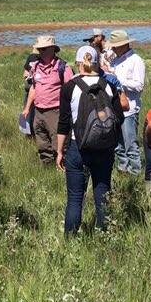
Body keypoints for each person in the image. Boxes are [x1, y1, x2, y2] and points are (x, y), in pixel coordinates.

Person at [56, 46, 123, 235]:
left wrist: (60, 151)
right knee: (102, 195)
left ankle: (71, 238)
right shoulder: (108, 85)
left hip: (78, 147)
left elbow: (63, 123)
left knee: (75, 197)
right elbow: (119, 116)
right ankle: (105, 236)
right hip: (105, 148)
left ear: (78, 63)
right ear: (96, 63)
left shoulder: (70, 87)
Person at [21, 36, 73, 166]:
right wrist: (27, 108)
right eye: (39, 49)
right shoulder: (36, 66)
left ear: (52, 50)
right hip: (38, 111)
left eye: (43, 49)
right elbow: (34, 87)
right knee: (42, 141)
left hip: (56, 111)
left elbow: (71, 90)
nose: (40, 52)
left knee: (58, 143)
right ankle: (47, 167)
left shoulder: (63, 67)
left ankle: (62, 168)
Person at [102, 30, 146, 175]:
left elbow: (139, 85)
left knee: (130, 145)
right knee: (118, 145)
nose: (113, 49)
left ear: (123, 45)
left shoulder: (136, 60)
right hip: (115, 109)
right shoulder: (115, 60)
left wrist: (117, 79)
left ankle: (134, 172)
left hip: (130, 110)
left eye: (115, 46)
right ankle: (123, 171)